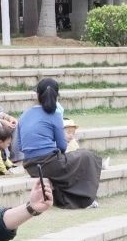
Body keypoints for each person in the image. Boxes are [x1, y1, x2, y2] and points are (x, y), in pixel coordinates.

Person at [15, 78, 106, 209]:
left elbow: (20, 146)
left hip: (30, 166)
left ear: (37, 95)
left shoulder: (24, 115)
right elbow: (62, 146)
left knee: (72, 161)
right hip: (49, 164)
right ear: (57, 96)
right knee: (87, 156)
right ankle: (85, 200)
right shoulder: (55, 115)